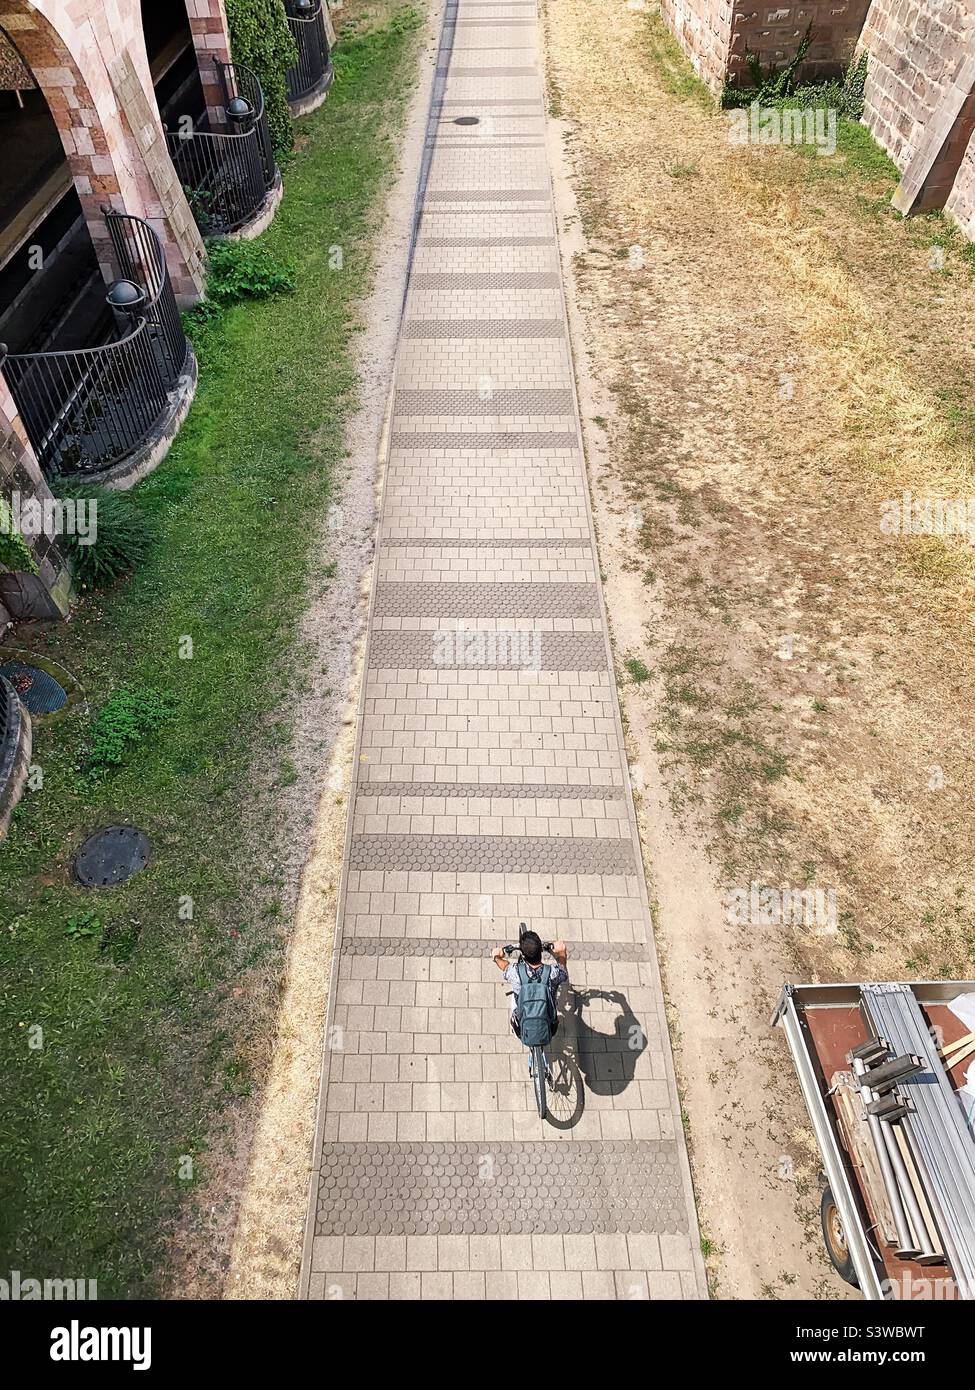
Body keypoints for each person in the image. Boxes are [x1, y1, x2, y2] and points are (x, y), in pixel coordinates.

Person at [493, 931, 568, 1037]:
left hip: (522, 1028)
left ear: (524, 955)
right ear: (540, 952)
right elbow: (563, 972)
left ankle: (514, 1028)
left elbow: (505, 966)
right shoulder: (553, 972)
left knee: (515, 998)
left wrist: (496, 957)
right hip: (549, 1028)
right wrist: (561, 952)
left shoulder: (515, 972)